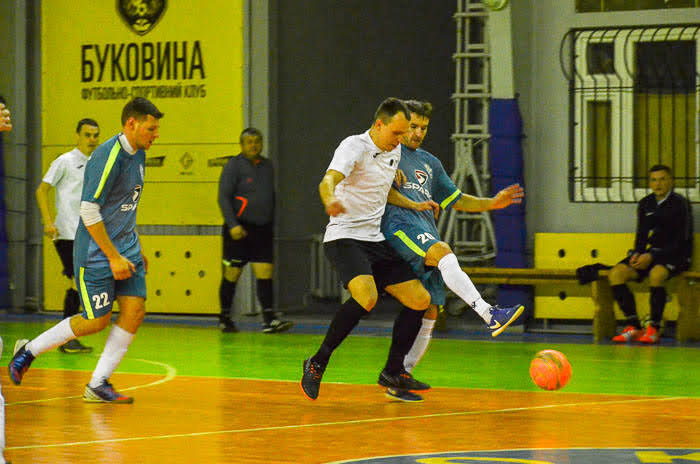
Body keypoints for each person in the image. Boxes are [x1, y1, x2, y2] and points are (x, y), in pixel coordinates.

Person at [8, 97, 164, 403]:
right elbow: (89, 212)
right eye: (151, 128)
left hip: (126, 248)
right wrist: (113, 256)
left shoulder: (139, 153)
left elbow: (124, 207)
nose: (155, 134)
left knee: (134, 310)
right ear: (131, 124)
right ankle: (28, 350)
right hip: (96, 252)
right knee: (96, 320)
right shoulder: (109, 156)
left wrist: (135, 247)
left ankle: (98, 383)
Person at [380, 100, 525, 402]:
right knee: (443, 251)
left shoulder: (430, 162)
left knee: (429, 307)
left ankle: (398, 376)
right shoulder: (384, 152)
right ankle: (489, 314)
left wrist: (492, 203)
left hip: (424, 230)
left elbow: (456, 199)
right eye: (413, 126)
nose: (418, 133)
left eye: (423, 128)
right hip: (399, 227)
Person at [300, 97, 435, 401]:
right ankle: (317, 362)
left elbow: (383, 188)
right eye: (396, 134)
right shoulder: (353, 147)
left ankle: (393, 371)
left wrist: (413, 203)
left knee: (419, 299)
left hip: (374, 239)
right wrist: (329, 200)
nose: (400, 141)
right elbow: (328, 180)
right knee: (367, 296)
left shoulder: (393, 149)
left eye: (404, 134)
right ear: (378, 125)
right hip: (344, 237)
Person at [217, 128, 293, 334]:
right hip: (239, 229)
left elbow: (271, 196)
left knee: (265, 273)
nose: (254, 145)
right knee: (232, 274)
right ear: (242, 145)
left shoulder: (268, 166)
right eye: (249, 142)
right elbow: (223, 197)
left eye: (257, 141)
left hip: (262, 230)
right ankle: (225, 318)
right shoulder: (233, 166)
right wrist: (233, 225)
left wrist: (271, 222)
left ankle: (269, 319)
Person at [36, 118, 100, 354]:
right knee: (76, 279)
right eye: (87, 135)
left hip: (87, 233)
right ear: (77, 136)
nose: (92, 139)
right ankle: (66, 339)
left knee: (79, 282)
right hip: (66, 232)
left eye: (95, 135)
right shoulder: (65, 161)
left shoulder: (97, 164)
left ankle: (67, 337)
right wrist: (48, 222)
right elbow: (42, 190)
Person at [610, 164, 693, 344]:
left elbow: (681, 240)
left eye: (662, 179)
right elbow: (641, 235)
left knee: (656, 275)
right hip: (651, 256)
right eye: (654, 180)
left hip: (677, 256)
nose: (658, 184)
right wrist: (636, 254)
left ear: (670, 181)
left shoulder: (681, 204)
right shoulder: (645, 204)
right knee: (616, 273)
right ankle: (633, 325)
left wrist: (653, 256)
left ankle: (654, 328)